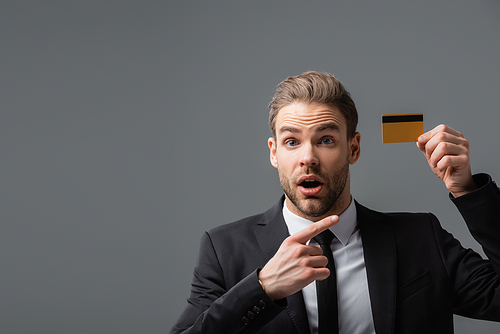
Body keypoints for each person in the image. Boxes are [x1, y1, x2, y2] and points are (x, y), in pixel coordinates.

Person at [170, 71, 500, 334]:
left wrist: (468, 190)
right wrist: (262, 288)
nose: (308, 158)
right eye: (291, 141)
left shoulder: (420, 236)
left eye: (326, 140)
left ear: (353, 148)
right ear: (274, 152)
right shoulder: (225, 248)